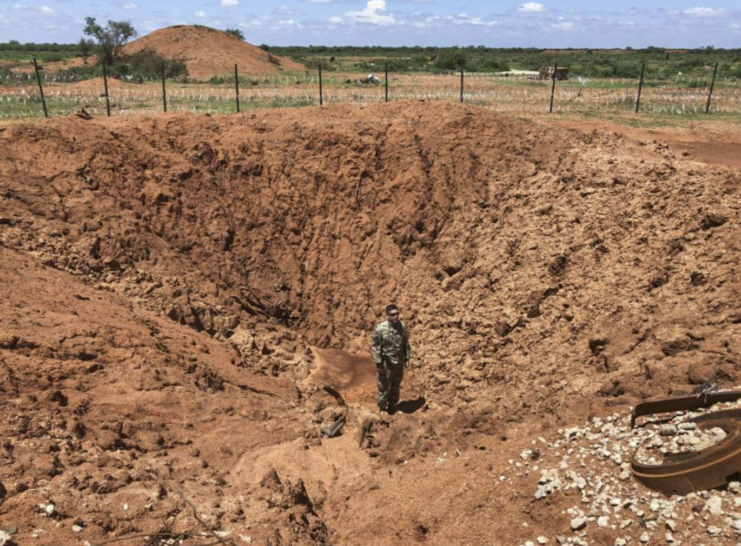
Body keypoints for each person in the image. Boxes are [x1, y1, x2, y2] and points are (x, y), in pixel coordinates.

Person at [371, 304, 412, 414]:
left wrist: (406, 358)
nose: (396, 316)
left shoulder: (402, 326)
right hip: (386, 363)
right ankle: (382, 408)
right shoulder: (380, 329)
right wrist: (378, 364)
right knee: (384, 386)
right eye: (393, 314)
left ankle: (392, 405)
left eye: (397, 314)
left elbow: (405, 343)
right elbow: (376, 347)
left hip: (398, 362)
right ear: (387, 316)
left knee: (395, 385)